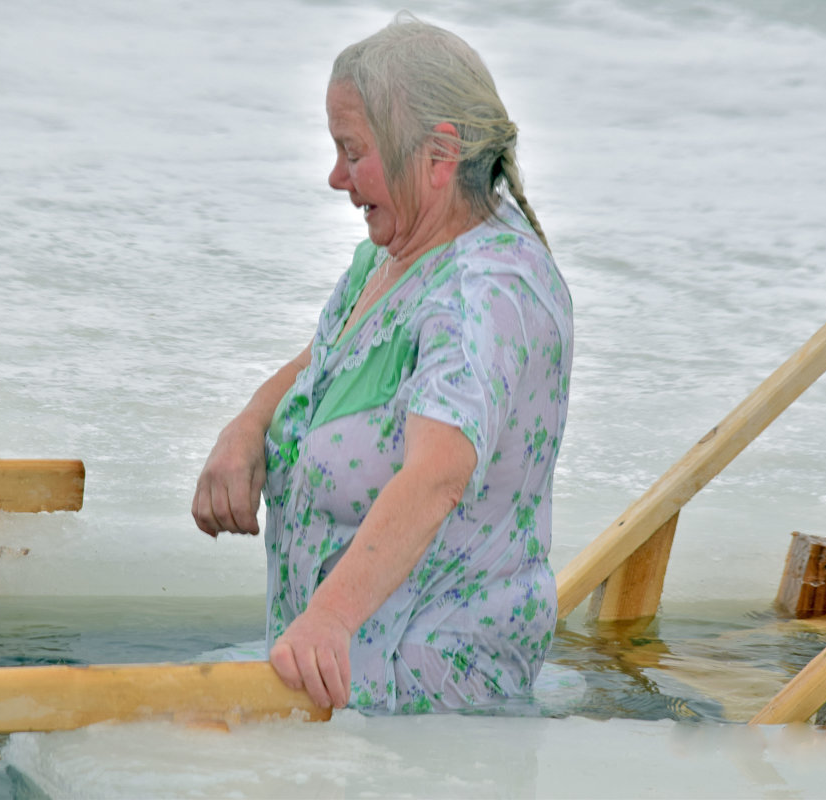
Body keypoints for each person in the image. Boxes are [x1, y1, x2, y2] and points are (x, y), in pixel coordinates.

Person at [191, 15, 572, 715]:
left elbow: (437, 474)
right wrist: (249, 425)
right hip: (346, 678)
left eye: (353, 151)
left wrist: (331, 619)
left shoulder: (482, 294)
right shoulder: (394, 255)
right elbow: (335, 356)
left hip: (428, 702)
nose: (336, 176)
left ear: (438, 155)